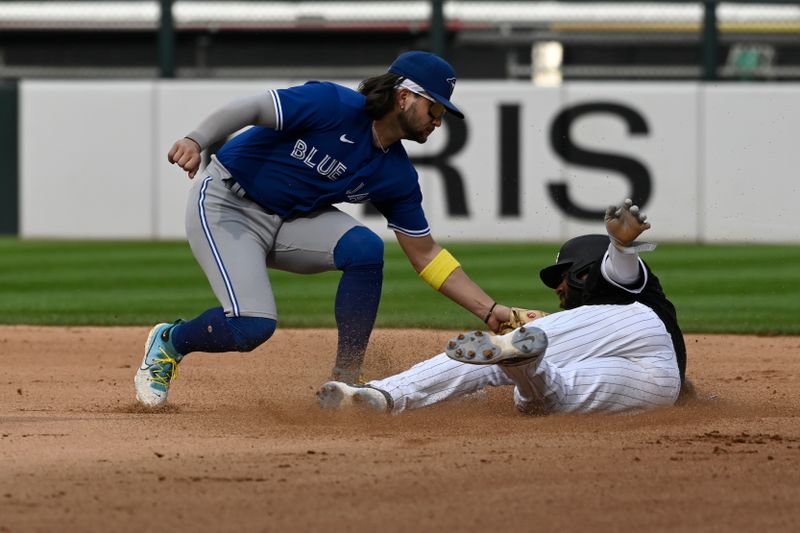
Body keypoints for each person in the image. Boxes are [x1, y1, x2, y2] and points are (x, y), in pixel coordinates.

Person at [134, 51, 513, 408]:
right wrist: (196, 138)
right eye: (435, 107)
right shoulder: (332, 104)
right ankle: (170, 340)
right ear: (403, 96)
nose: (438, 120)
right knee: (250, 328)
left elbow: (426, 254)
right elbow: (251, 107)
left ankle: (346, 376)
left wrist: (490, 309)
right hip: (228, 202)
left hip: (289, 222)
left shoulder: (396, 174)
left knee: (365, 249)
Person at [317, 200, 688, 415]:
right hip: (660, 388)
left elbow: (619, 272)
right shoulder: (586, 317)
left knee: (511, 347)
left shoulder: (623, 285)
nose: (559, 286)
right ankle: (523, 366)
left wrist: (620, 247)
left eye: (564, 275)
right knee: (541, 401)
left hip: (644, 334)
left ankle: (390, 392)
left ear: (587, 269)